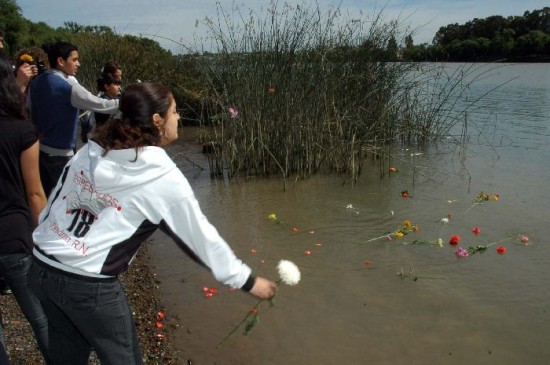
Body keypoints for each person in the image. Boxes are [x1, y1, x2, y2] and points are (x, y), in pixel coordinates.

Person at [30, 81, 277, 364]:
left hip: (41, 267)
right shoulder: (161, 175)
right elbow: (199, 239)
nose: (179, 118)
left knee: (66, 356)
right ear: (157, 120)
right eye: (175, 112)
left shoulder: (93, 147)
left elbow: (57, 198)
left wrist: (45, 239)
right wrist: (247, 281)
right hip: (87, 285)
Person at [0, 54, 50, 364]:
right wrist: (47, 240)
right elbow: (34, 194)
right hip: (13, 236)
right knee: (41, 319)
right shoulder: (22, 131)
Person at [28, 41, 119, 197]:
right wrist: (132, 100)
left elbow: (28, 110)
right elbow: (102, 104)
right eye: (74, 59)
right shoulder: (68, 87)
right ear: (61, 61)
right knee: (63, 201)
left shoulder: (36, 82)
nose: (78, 64)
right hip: (61, 157)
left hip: (39, 152)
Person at [81, 72, 122, 143]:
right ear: (107, 86)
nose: (119, 87)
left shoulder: (116, 98)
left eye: (119, 84)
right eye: (116, 84)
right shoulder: (103, 102)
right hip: (102, 140)